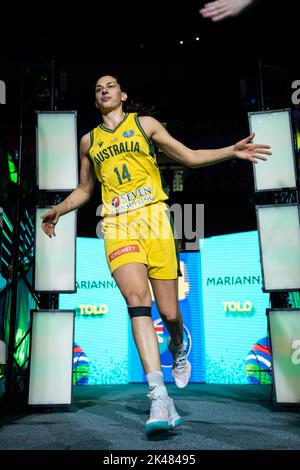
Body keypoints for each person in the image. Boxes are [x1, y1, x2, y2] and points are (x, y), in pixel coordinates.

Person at [41, 74, 271, 435]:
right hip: (116, 224)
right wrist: (59, 208)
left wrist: (232, 151)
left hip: (155, 219)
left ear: (123, 94)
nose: (103, 90)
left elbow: (190, 158)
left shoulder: (144, 125)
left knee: (169, 312)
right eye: (98, 87)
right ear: (95, 98)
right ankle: (158, 395)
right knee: (137, 301)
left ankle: (178, 341)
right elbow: (86, 189)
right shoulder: (89, 141)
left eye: (110, 85)